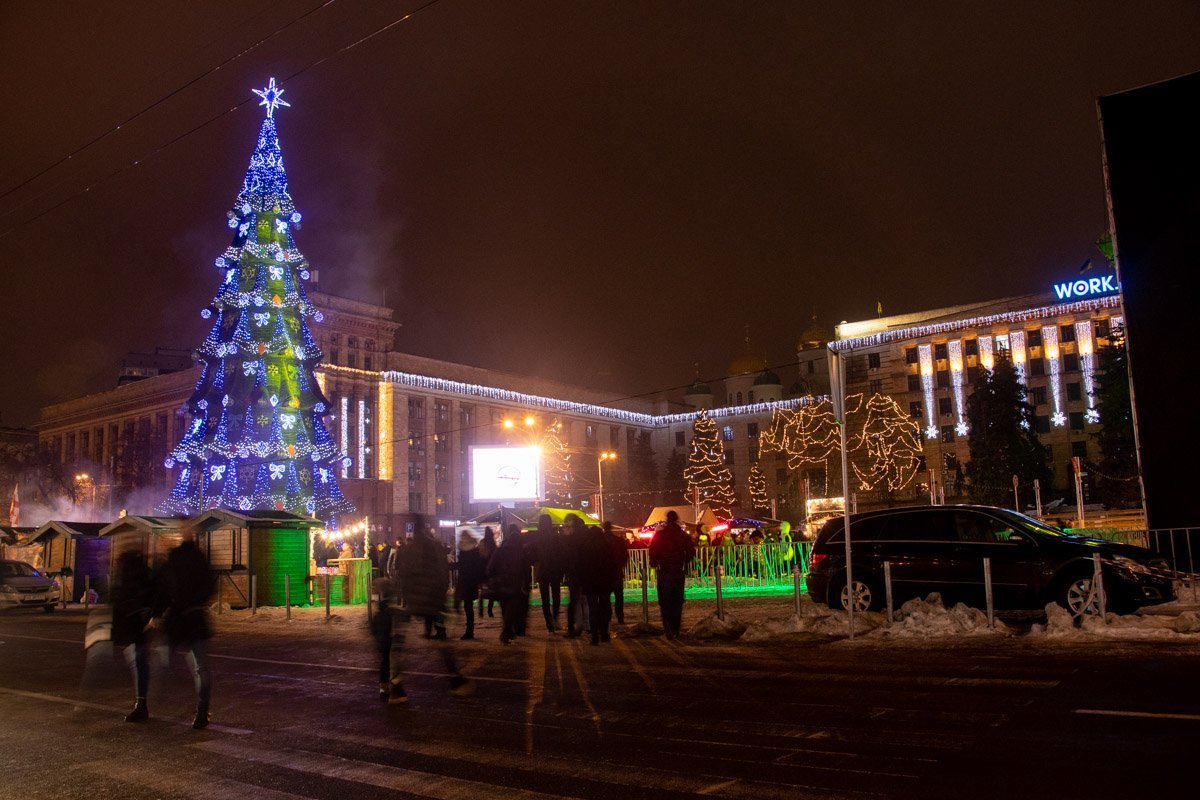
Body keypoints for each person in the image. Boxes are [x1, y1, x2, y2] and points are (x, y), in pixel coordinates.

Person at [389, 528, 472, 702]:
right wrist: (442, 599)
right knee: (442, 641)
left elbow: (401, 573)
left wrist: (406, 596)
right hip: (432, 602)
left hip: (412, 601)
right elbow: (442, 575)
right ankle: (455, 679)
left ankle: (396, 683)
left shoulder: (407, 549)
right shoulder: (434, 548)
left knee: (400, 641)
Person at [148, 539, 216, 729]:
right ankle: (201, 708)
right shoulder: (197, 558)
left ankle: (200, 708)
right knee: (198, 667)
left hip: (183, 618)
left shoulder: (180, 560)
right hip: (191, 618)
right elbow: (208, 585)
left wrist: (157, 613)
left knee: (175, 661)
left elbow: (164, 588)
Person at [111, 549, 155, 723]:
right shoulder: (137, 569)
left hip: (134, 623)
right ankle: (141, 703)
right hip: (134, 623)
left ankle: (141, 705)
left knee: (138, 661)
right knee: (138, 661)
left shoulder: (133, 571)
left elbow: (124, 597)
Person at [648, 510, 695, 639]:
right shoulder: (683, 535)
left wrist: (654, 562)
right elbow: (691, 552)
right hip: (678, 571)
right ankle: (675, 628)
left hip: (664, 571)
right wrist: (684, 561)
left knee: (665, 601)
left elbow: (653, 552)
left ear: (667, 519)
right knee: (677, 601)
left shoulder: (660, 535)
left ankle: (667, 627)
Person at [486, 524, 529, 644]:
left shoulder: (500, 550)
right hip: (515, 585)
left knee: (505, 608)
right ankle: (507, 633)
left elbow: (490, 568)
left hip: (502, 584)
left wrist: (494, 577)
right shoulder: (521, 552)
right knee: (511, 608)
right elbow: (526, 570)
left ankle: (508, 633)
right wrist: (526, 584)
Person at [578, 525, 617, 644]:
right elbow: (612, 564)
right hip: (604, 582)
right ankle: (604, 633)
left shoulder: (585, 547)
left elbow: (581, 566)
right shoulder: (606, 546)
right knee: (604, 607)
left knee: (593, 609)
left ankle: (594, 635)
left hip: (590, 582)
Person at [533, 515, 563, 633]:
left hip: (542, 571)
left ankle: (549, 623)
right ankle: (555, 618)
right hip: (554, 570)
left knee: (545, 599)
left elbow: (534, 556)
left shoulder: (537, 537)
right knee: (556, 596)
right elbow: (561, 554)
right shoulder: (556, 537)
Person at [454, 531, 486, 640]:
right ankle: (469, 630)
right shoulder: (474, 551)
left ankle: (469, 631)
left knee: (467, 606)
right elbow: (479, 567)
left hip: (465, 581)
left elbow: (463, 567)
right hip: (470, 582)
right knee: (468, 606)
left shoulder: (463, 552)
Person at [560, 514, 585, 638]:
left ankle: (573, 627)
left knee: (574, 601)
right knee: (584, 600)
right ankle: (587, 626)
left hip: (575, 574)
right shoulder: (584, 538)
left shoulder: (571, 540)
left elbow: (567, 558)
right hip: (584, 573)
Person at [604, 521, 630, 625]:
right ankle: (620, 617)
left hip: (605, 574)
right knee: (619, 597)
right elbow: (625, 556)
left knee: (605, 597)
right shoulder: (619, 540)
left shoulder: (601, 540)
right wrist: (620, 565)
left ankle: (607, 616)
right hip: (617, 572)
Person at [478, 527, 498, 618]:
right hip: (491, 570)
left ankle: (481, 611)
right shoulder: (493, 544)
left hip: (482, 570)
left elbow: (480, 555)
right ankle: (490, 610)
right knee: (492, 590)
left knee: (483, 591)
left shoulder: (482, 543)